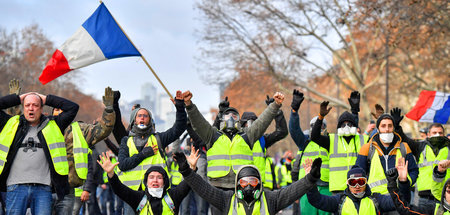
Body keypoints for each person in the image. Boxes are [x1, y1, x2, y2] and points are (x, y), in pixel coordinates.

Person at [0, 91, 79, 214]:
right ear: (23, 107)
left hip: (43, 189)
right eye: (27, 105)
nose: (31, 108)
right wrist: (17, 99)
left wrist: (47, 99)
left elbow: (73, 108)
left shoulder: (54, 124)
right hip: (15, 187)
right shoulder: (11, 123)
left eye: (35, 105)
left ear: (42, 108)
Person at [174, 150, 322, 214]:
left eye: (253, 181)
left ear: (259, 184)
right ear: (238, 184)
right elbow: (203, 189)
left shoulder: (270, 199)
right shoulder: (227, 199)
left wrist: (310, 178)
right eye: (244, 183)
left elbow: (292, 191)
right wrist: (186, 170)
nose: (249, 186)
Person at [118, 91, 187, 214]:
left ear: (150, 120)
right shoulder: (126, 141)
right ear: (134, 120)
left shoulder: (159, 139)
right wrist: (144, 154)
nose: (142, 118)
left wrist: (180, 107)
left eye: (145, 116)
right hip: (132, 194)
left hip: (156, 193)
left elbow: (179, 128)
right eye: (139, 116)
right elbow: (123, 165)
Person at [53, 86, 116, 215]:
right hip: (46, 189)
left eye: (62, 110)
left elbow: (102, 130)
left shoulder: (80, 130)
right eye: (56, 109)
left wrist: (109, 110)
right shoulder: (44, 126)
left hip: (71, 189)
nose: (59, 112)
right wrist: (14, 106)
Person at [99, 147, 199, 214]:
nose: (155, 180)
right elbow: (119, 189)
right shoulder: (138, 198)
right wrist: (110, 173)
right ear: (146, 182)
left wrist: (192, 167)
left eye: (159, 178)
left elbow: (188, 183)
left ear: (164, 182)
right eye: (151, 177)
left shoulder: (173, 196)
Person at [310, 91, 369, 193]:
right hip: (338, 189)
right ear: (339, 127)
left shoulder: (363, 140)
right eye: (343, 125)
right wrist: (320, 117)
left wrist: (355, 111)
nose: (346, 127)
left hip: (358, 186)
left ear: (354, 127)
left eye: (349, 124)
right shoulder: (332, 140)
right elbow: (314, 137)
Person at [306, 161, 408, 214]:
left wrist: (403, 182)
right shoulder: (339, 201)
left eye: (360, 181)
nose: (357, 186)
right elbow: (316, 200)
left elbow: (401, 203)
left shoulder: (376, 199)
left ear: (366, 182)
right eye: (353, 182)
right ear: (347, 183)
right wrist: (311, 181)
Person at [355, 111, 418, 196]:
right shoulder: (367, 148)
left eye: (390, 126)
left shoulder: (404, 147)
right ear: (378, 129)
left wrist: (406, 183)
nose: (387, 129)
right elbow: (358, 173)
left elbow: (413, 170)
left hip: (400, 196)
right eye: (383, 126)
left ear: (394, 128)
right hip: (376, 197)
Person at [240, 94, 288, 190]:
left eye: (255, 123)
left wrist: (275, 110)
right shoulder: (236, 139)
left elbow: (282, 132)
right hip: (241, 185)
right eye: (249, 123)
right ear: (242, 125)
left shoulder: (262, 140)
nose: (252, 126)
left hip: (261, 186)